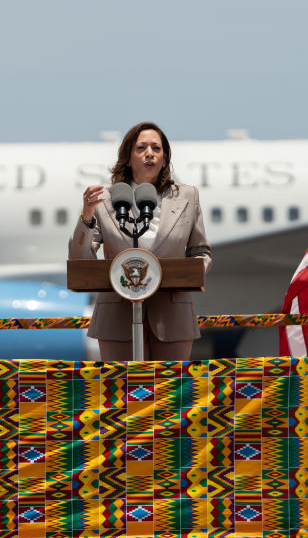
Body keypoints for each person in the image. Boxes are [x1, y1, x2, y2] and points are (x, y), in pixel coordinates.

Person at [69, 121, 211, 361]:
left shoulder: (187, 196)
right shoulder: (105, 199)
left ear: (165, 157)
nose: (150, 154)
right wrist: (87, 215)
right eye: (141, 148)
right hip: (117, 317)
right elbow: (80, 259)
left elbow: (201, 252)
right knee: (124, 395)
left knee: (169, 395)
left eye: (156, 148)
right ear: (128, 157)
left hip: (172, 315)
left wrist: (186, 275)